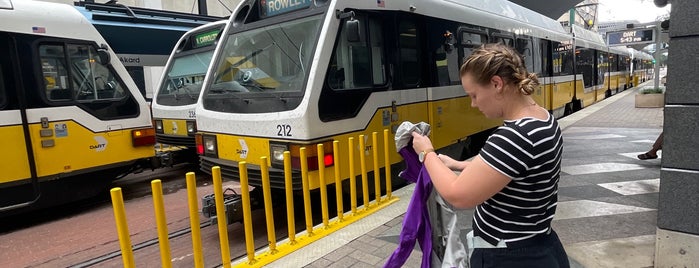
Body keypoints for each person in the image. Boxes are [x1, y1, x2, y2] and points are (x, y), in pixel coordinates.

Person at [410, 43, 569, 267]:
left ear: (496, 84)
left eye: (474, 95)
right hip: (539, 245)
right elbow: (516, 172)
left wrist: (427, 153)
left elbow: (458, 195)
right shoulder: (543, 119)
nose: (473, 104)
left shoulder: (514, 136)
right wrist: (458, 164)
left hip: (510, 257)